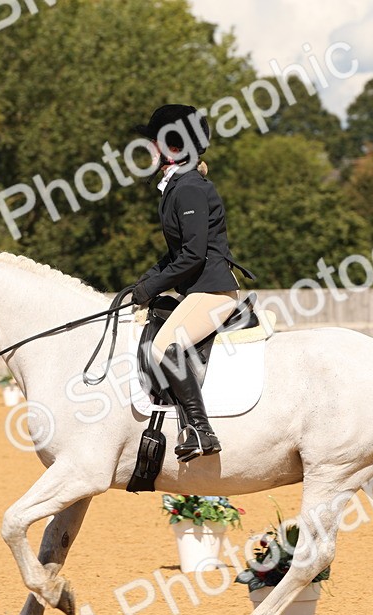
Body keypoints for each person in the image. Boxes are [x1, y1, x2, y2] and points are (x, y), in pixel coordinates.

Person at [130, 104, 254, 462]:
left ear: (171, 146)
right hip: (198, 290)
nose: (149, 149)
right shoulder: (177, 185)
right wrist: (146, 279)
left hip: (214, 291)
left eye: (154, 142)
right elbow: (178, 252)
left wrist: (152, 287)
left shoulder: (189, 188)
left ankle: (200, 430)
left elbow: (194, 255)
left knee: (164, 347)